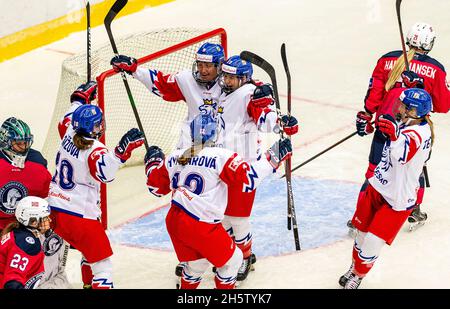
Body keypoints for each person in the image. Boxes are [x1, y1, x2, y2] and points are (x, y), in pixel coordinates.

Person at [144, 113, 293, 289]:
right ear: (217, 133)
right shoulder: (220, 156)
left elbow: (155, 188)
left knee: (197, 264)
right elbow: (249, 179)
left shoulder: (177, 156)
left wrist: (152, 163)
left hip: (174, 220)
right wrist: (274, 156)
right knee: (233, 261)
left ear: (192, 134)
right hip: (200, 224)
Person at [351, 22, 450, 232]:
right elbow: (443, 105)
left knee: (374, 171)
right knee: (415, 172)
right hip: (414, 130)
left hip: (386, 125)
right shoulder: (436, 69)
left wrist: (367, 114)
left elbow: (375, 92)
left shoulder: (387, 59)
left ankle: (359, 218)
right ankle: (414, 211)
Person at [47, 81, 145, 289]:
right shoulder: (95, 149)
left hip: (55, 211)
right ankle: (93, 284)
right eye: (98, 124)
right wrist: (121, 152)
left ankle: (87, 285)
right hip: (80, 216)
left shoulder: (67, 131)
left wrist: (79, 98)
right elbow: (105, 174)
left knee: (87, 252)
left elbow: (71, 112)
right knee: (103, 267)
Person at [340, 88, 434, 289]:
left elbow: (403, 154)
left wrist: (392, 134)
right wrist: (366, 125)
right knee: (361, 234)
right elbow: (383, 129)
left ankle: (359, 275)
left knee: (373, 241)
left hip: (397, 199)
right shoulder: (404, 121)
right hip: (378, 186)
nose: (399, 108)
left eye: (404, 106)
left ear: (415, 112)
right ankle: (354, 267)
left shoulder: (420, 133)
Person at [216, 55, 298, 281]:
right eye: (225, 76)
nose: (227, 80)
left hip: (243, 166)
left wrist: (279, 122)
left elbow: (263, 114)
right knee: (222, 216)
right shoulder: (225, 91)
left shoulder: (248, 94)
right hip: (221, 165)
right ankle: (230, 254)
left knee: (238, 219)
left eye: (232, 77)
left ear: (243, 79)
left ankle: (245, 257)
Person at [110, 42, 225, 150]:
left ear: (219, 66)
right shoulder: (187, 79)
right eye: (200, 65)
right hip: (190, 143)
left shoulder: (232, 85)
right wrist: (135, 70)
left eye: (208, 65)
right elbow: (161, 84)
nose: (203, 70)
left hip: (222, 143)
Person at [0, 117, 70, 288]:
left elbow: (49, 197)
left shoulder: (36, 163)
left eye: (26, 143)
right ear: (5, 142)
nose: (24, 148)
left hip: (26, 230)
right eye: (18, 144)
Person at [0, 196, 51, 289]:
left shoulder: (19, 233)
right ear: (33, 221)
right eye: (45, 218)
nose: (49, 220)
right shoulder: (27, 243)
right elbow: (12, 282)